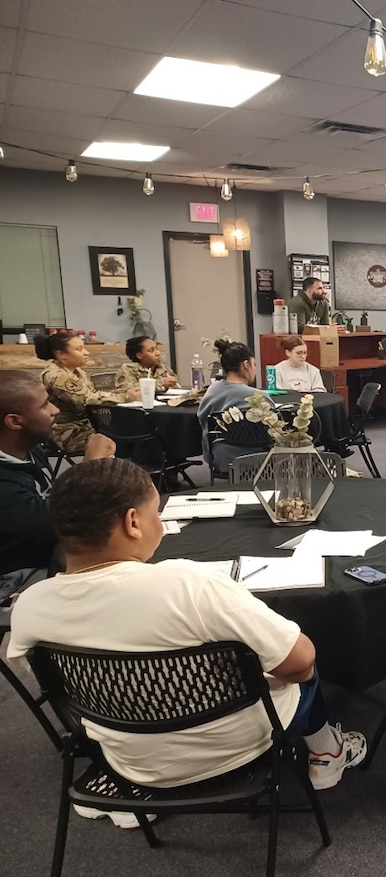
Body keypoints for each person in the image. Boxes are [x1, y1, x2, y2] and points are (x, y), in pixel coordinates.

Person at [7, 459, 365, 829]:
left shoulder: (31, 606)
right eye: (155, 514)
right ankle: (327, 752)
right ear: (132, 523)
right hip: (237, 747)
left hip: (130, 761)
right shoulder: (188, 584)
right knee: (299, 655)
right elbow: (298, 662)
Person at [0, 371, 115, 598]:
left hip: (53, 554)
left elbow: (54, 501)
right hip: (15, 581)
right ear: (15, 421)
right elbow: (67, 523)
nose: (55, 410)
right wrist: (92, 467)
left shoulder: (31, 450)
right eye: (44, 406)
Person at [37, 332, 137, 453]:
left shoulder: (77, 372)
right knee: (127, 437)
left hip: (86, 425)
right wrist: (126, 396)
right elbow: (87, 400)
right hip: (65, 432)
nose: (86, 352)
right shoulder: (57, 376)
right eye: (79, 349)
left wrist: (126, 392)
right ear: (61, 354)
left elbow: (93, 394)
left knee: (134, 430)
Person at [197, 339, 267, 475]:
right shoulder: (258, 397)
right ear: (246, 365)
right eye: (254, 364)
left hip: (219, 458)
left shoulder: (211, 391)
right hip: (258, 460)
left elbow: (203, 419)